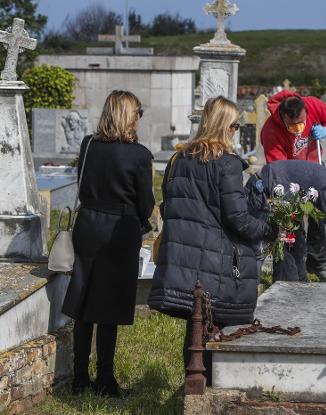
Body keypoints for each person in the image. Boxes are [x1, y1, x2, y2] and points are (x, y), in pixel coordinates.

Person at [148, 96, 275, 377]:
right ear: (225, 126)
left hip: (183, 257)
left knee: (195, 326)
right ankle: (209, 389)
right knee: (215, 326)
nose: (236, 131)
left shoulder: (179, 158)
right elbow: (237, 218)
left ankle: (191, 384)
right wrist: (269, 229)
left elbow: (169, 205)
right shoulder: (226, 164)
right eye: (235, 126)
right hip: (216, 260)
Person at [62, 90, 155, 397]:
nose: (140, 117)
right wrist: (141, 223)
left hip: (88, 224)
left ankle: (78, 378)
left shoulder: (89, 144)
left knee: (84, 300)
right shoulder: (139, 155)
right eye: (138, 112)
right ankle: (105, 380)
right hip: (120, 229)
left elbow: (82, 182)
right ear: (129, 115)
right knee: (109, 307)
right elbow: (146, 202)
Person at [261, 91, 326, 280]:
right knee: (292, 223)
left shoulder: (313, 104)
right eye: (292, 125)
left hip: (316, 169)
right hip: (290, 180)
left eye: (302, 122)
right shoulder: (270, 131)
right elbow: (278, 169)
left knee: (322, 214)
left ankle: (318, 261)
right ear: (282, 116)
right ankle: (295, 271)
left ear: (306, 110)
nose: (298, 129)